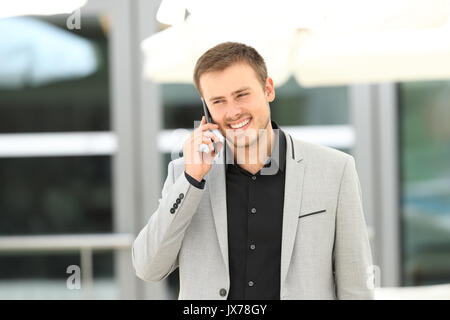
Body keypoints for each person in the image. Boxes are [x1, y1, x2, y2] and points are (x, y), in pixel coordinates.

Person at [132, 42, 374, 300]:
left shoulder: (335, 171)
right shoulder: (185, 175)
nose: (233, 111)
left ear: (268, 89)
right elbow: (148, 267)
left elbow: (356, 285)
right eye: (218, 101)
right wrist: (192, 181)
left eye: (241, 94)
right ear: (206, 110)